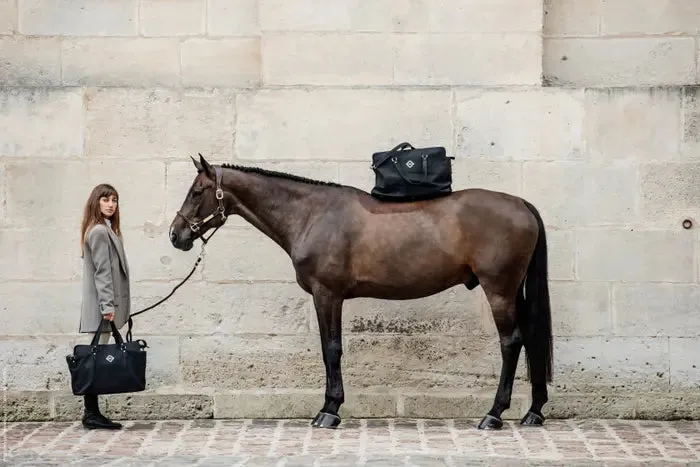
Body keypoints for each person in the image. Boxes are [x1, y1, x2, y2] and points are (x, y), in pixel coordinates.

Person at [78, 183, 131, 430]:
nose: (111, 204)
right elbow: (103, 273)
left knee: (96, 360)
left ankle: (92, 413)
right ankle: (91, 414)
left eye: (114, 200)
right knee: (95, 361)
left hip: (104, 307)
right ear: (95, 202)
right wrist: (108, 306)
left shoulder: (104, 229)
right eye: (105, 200)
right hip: (103, 309)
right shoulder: (99, 231)